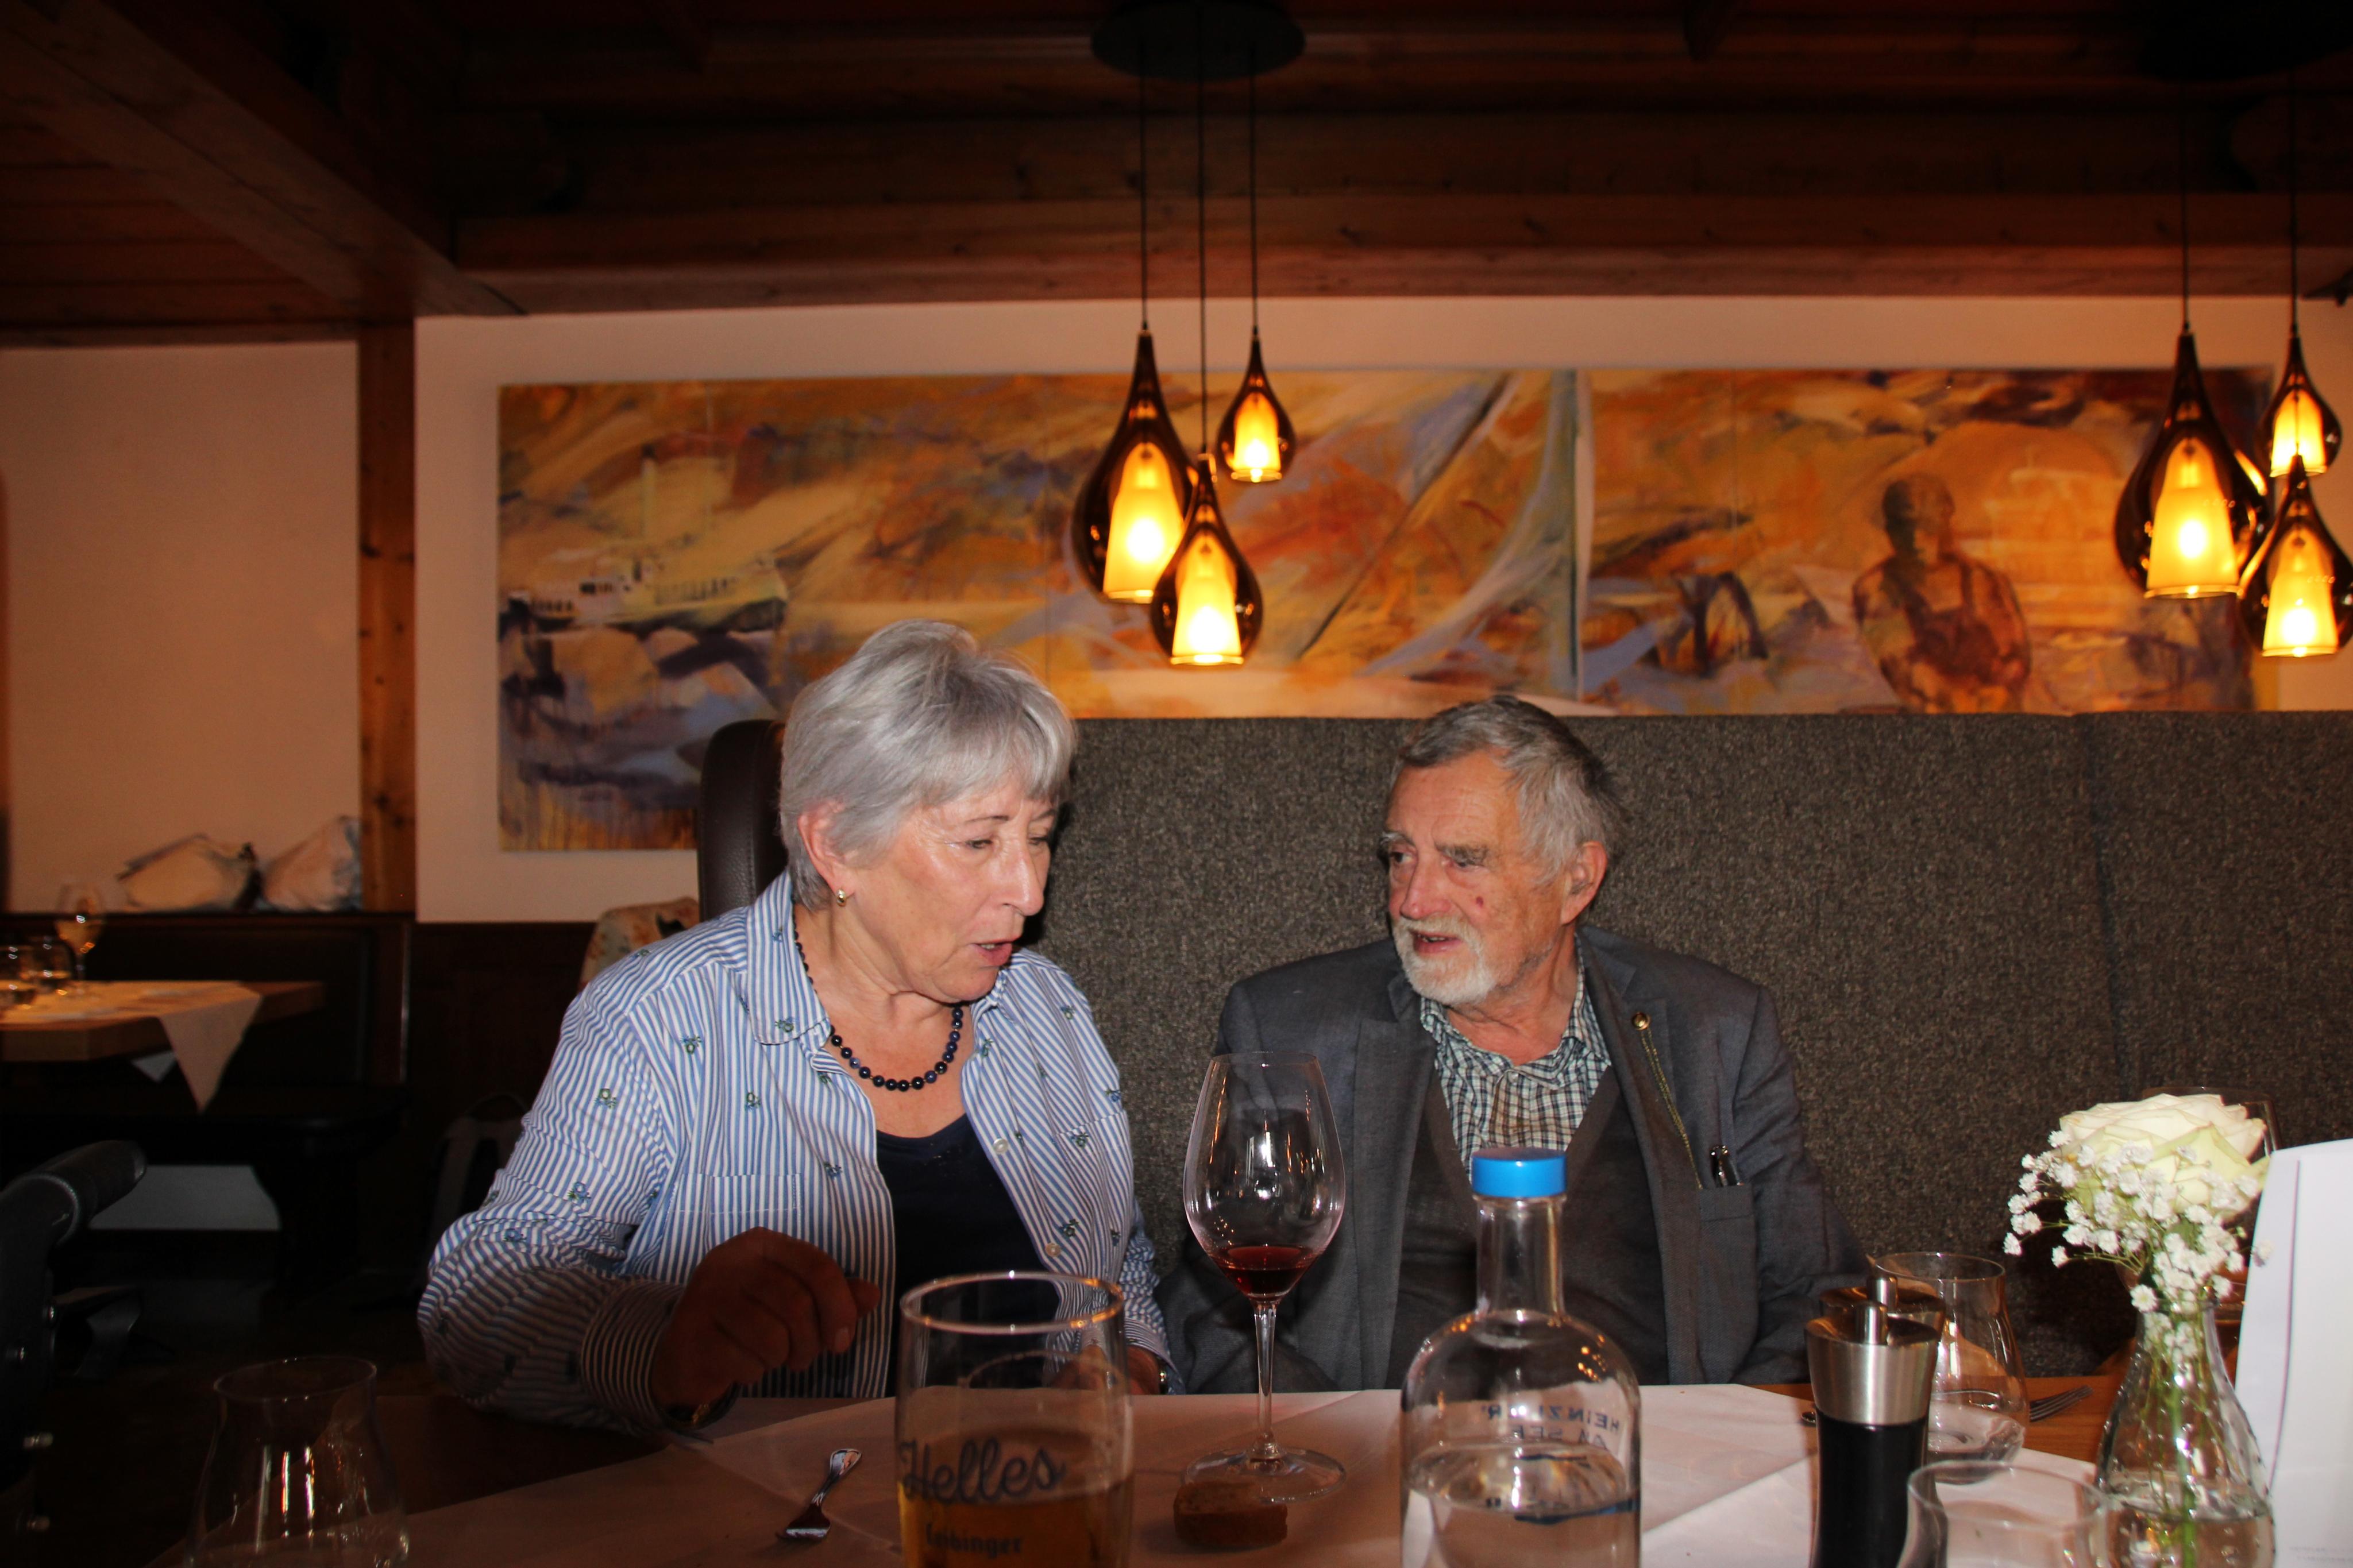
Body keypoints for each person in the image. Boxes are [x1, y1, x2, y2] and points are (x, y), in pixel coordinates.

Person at [422, 621, 1173, 1432]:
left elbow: (1119, 1258)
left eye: (1039, 837)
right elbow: (471, 1309)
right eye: (978, 840)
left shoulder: (1046, 1007)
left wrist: (1130, 1361)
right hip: (776, 1502)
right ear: (835, 844)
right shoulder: (663, 1017)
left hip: (1038, 1487)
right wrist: (663, 1344)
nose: (1028, 890)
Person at [1159, 696, 1860, 1392]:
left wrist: (1725, 1445)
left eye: (1463, 861)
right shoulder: (1292, 1029)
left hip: (1654, 1449)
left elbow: (1815, 1289)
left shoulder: (1714, 1032)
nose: (1412, 900)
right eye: (1401, 856)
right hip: (1379, 1451)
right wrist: (1331, 1446)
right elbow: (1215, 1305)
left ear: (1576, 881)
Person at [1851, 473, 2032, 713]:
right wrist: (1948, 696)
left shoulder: (1985, 581)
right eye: (1904, 528)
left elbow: (2016, 656)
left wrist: (2000, 691)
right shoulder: (1876, 588)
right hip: (1931, 713)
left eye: (1926, 527)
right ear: (1890, 530)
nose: (1915, 540)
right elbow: (1901, 664)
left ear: (1945, 523)